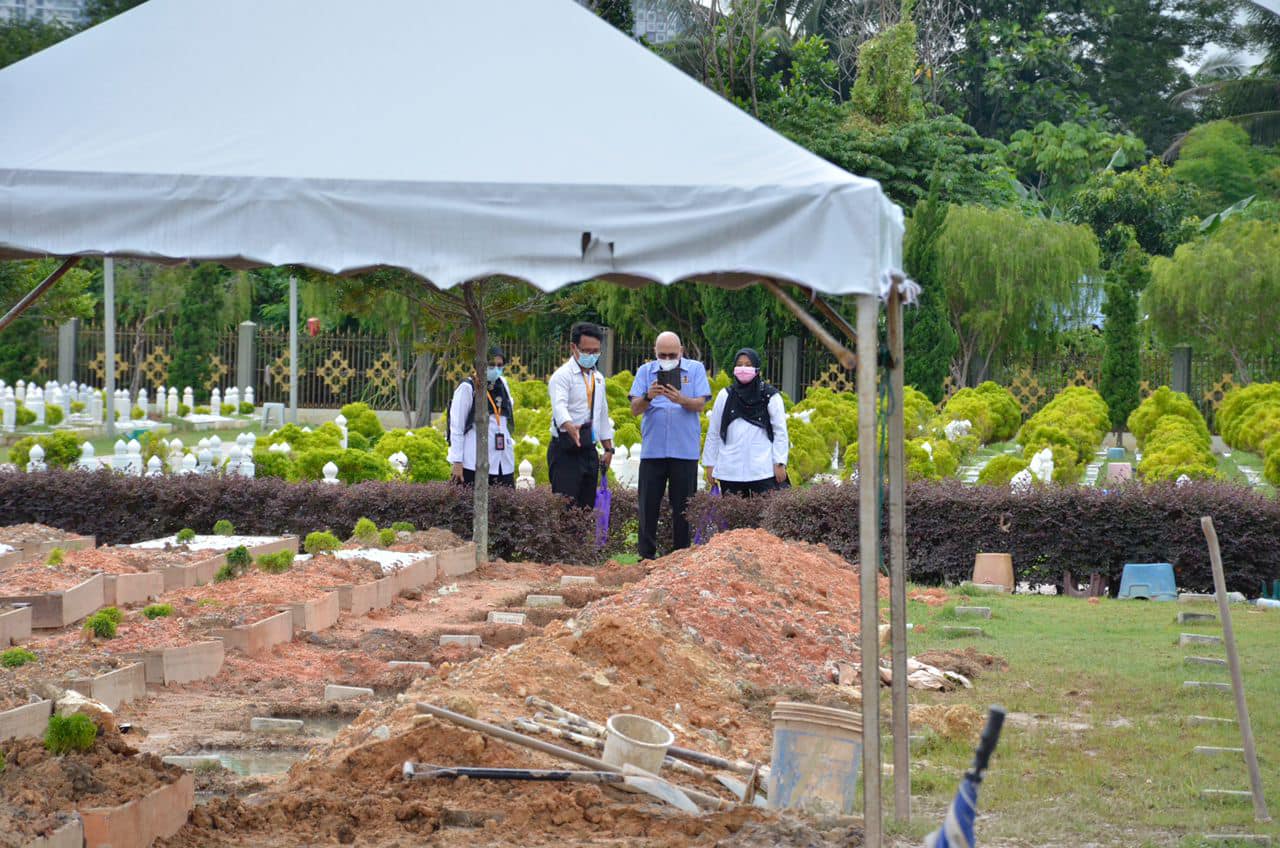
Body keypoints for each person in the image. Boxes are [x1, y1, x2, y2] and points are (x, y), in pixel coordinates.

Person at [629, 331, 710, 560]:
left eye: (671, 354)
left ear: (681, 351)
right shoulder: (646, 372)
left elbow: (700, 404)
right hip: (653, 451)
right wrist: (648, 396)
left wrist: (681, 399)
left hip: (684, 451)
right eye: (662, 354)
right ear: (655, 352)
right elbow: (635, 409)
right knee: (648, 506)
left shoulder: (695, 370)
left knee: (683, 508)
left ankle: (681, 556)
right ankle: (646, 557)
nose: (667, 358)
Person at [702, 348, 789, 496]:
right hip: (730, 470)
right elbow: (714, 432)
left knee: (764, 516)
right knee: (734, 517)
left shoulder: (770, 395)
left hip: (762, 470)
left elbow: (780, 431)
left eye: (748, 365)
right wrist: (710, 464)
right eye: (740, 364)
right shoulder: (725, 395)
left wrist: (779, 462)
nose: (743, 368)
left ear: (756, 368)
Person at [547, 322, 614, 508]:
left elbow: (602, 415)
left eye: (596, 351)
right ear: (573, 347)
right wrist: (569, 426)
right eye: (586, 351)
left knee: (586, 510)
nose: (591, 356)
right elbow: (559, 407)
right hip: (565, 450)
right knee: (565, 510)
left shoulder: (598, 378)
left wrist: (609, 449)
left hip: (589, 450)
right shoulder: (562, 376)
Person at [447, 346, 516, 488]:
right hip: (474, 462)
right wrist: (457, 461)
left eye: (499, 365)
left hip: (503, 461)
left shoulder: (503, 384)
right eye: (491, 365)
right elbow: (457, 427)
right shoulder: (467, 387)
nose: (496, 369)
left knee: (505, 506)